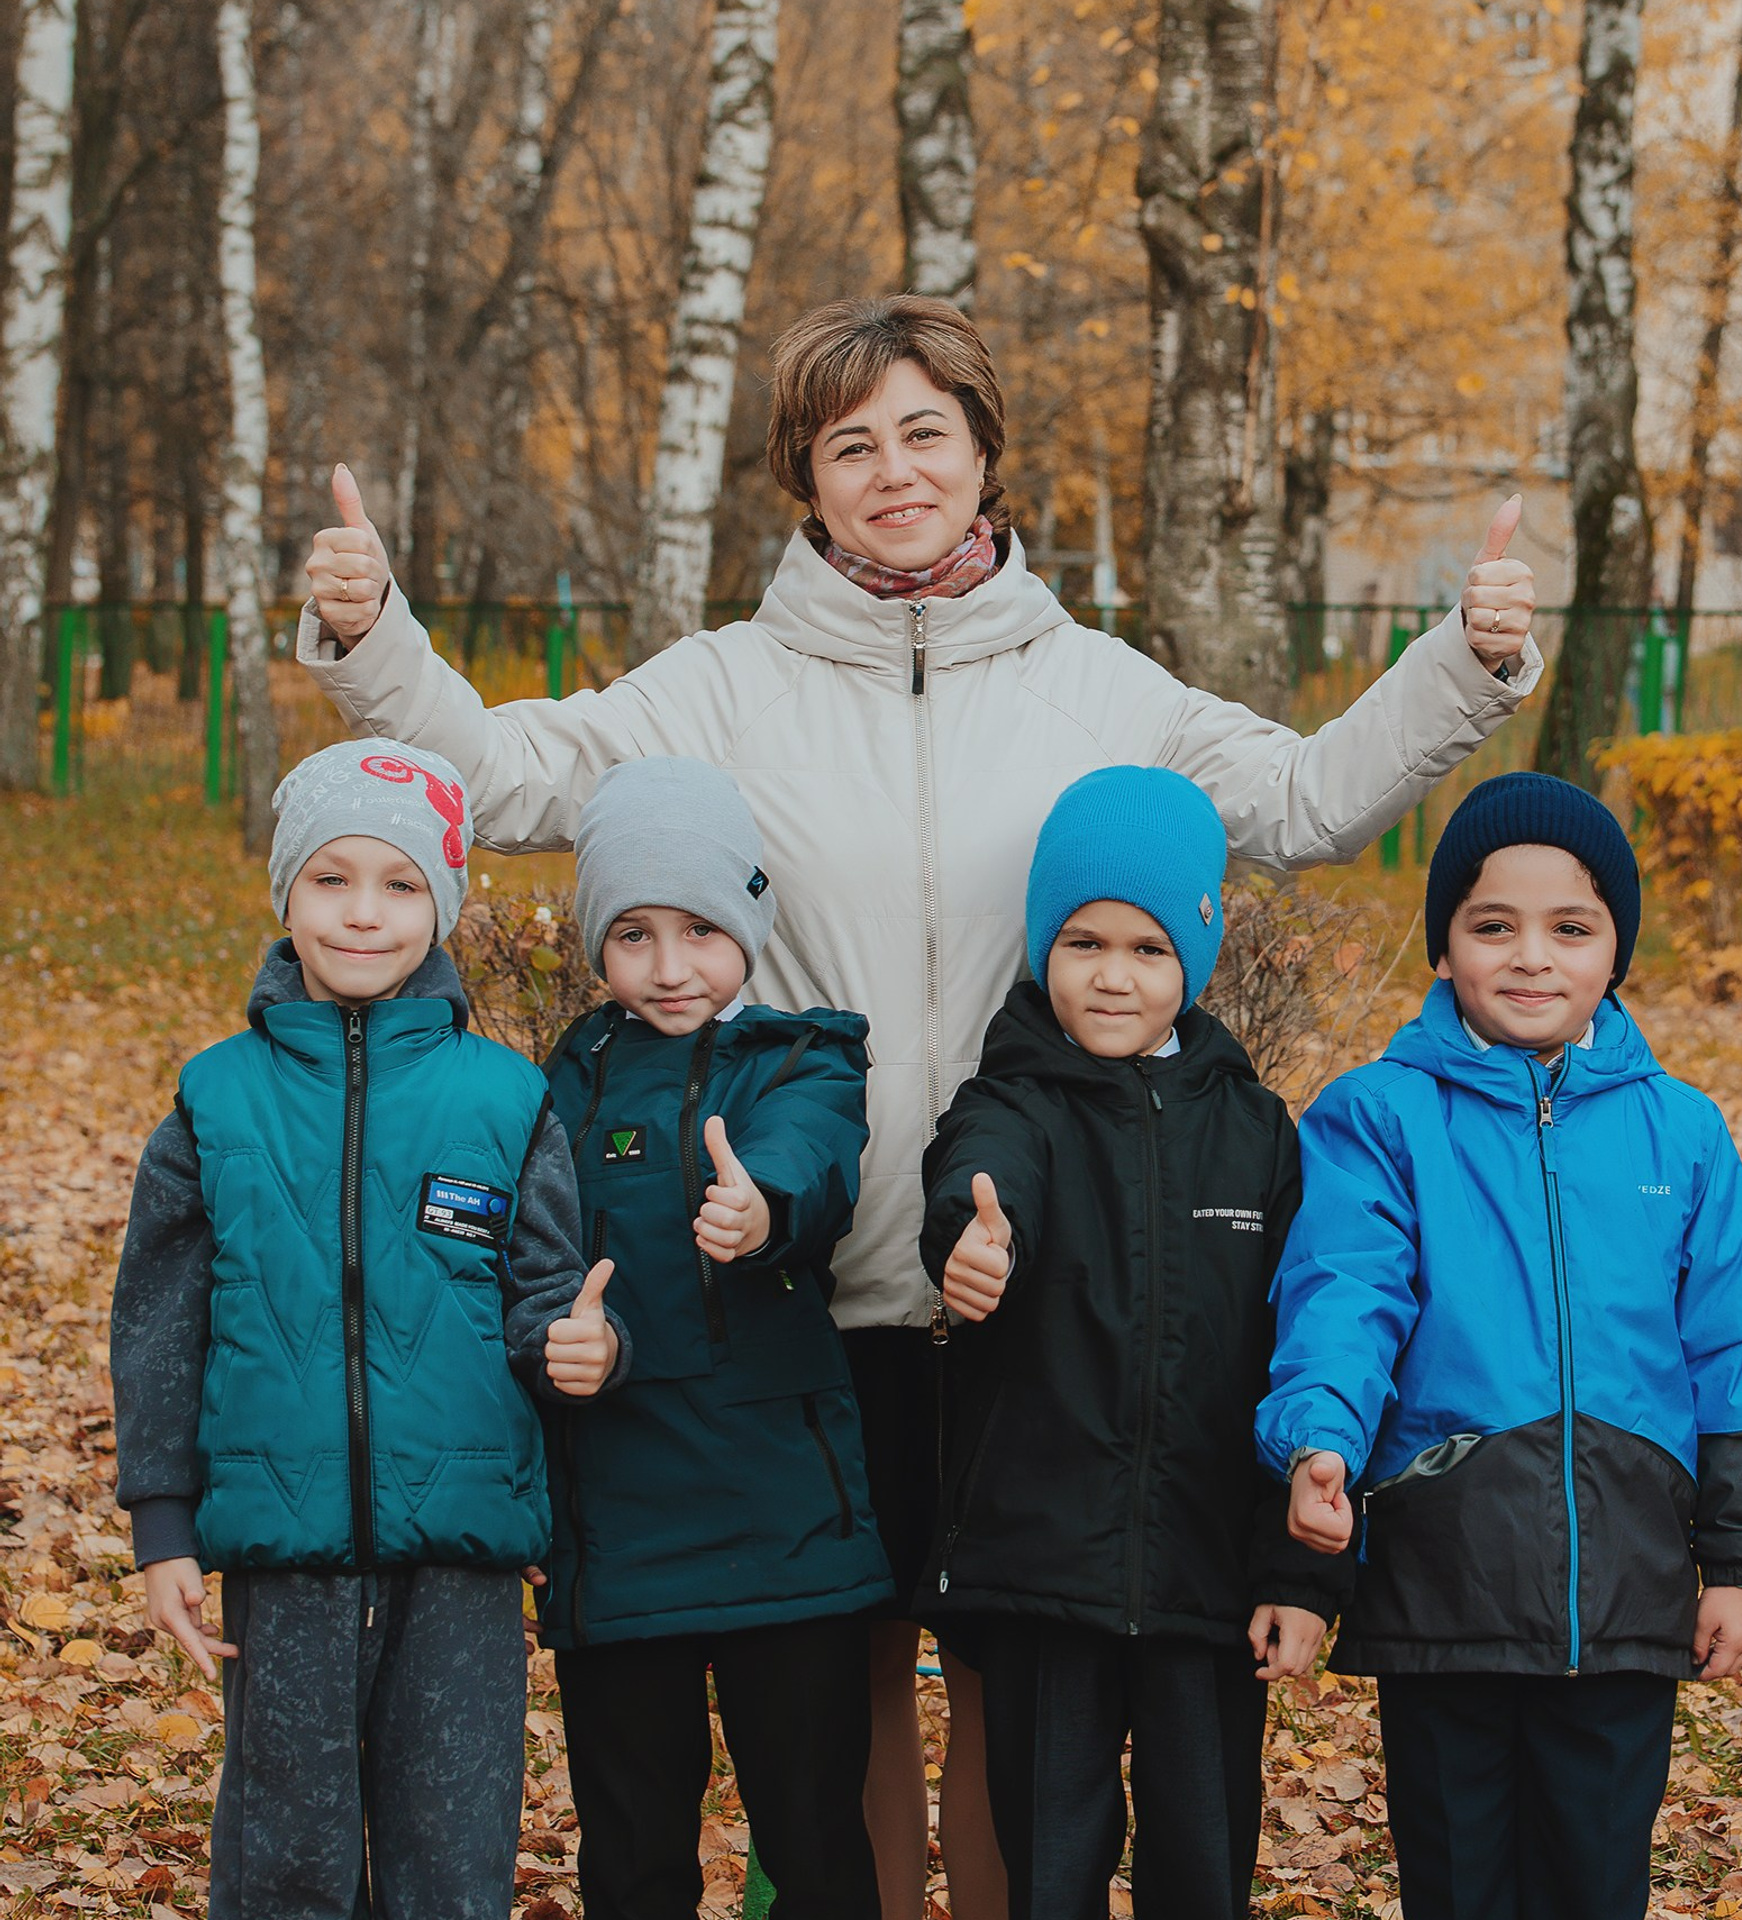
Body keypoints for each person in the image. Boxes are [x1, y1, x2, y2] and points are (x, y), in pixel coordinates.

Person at [298, 294, 1541, 1917]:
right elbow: (518, 772)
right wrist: (375, 632)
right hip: (815, 1274)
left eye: (924, 434)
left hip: (1046, 1276)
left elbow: (1303, 800)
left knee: (1014, 1667)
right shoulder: (727, 686)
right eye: (850, 445)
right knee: (849, 1673)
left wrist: (1472, 661)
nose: (894, 472)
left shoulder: (1101, 689)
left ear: (985, 452)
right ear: (805, 483)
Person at [1257, 772, 1742, 1920]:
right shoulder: (1380, 1115)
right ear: (1445, 946)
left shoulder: (1684, 1129)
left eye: (1571, 928)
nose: (1531, 957)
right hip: (1444, 1582)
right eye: (1492, 925)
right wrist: (1319, 1440)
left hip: (1627, 1595)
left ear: (1616, 950)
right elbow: (1344, 1296)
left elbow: (1730, 1349)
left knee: (1596, 1879)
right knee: (1460, 1882)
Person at [109, 740, 625, 1920]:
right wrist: (162, 1526)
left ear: (440, 908)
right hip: (281, 1555)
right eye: (331, 879)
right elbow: (156, 1327)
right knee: (285, 1858)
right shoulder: (213, 1099)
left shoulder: (506, 1099)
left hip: (466, 1557)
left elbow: (544, 1296)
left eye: (399, 885)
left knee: (451, 1857)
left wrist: (581, 1349)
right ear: (285, 892)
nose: (362, 914)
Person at [917, 767, 1339, 1920]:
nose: (1113, 976)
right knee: (1051, 1866)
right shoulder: (1012, 1101)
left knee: (1204, 1869)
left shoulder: (1257, 1133)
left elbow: (1306, 1348)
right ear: (1043, 947)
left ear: (1195, 959)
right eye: (1084, 941)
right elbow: (975, 1184)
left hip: (1210, 1580)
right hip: (1047, 1577)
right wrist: (971, 1244)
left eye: (1150, 949)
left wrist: (1300, 1572)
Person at [537, 756, 893, 1918]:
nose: (671, 965)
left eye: (699, 926)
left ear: (748, 918)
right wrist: (557, 1342)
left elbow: (811, 1157)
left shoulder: (805, 1057)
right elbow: (529, 1253)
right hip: (619, 1518)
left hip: (784, 1519)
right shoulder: (562, 1083)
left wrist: (760, 1209)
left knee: (813, 1837)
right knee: (635, 1847)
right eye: (633, 934)